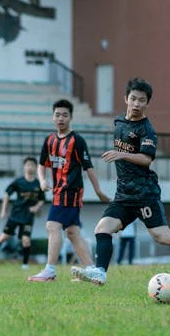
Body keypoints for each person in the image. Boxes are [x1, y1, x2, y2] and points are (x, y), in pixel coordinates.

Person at [75, 78, 170, 286]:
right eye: (133, 99)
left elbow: (147, 159)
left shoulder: (147, 130)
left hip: (144, 194)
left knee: (162, 236)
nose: (137, 104)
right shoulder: (119, 122)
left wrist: (121, 154)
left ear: (148, 103)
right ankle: (100, 272)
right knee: (102, 229)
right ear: (126, 99)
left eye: (142, 100)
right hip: (124, 195)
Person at [28, 99, 111, 282]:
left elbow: (89, 167)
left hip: (71, 192)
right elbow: (42, 165)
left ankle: (50, 270)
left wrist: (98, 191)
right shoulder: (49, 140)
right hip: (58, 191)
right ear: (53, 117)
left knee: (52, 226)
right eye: (57, 115)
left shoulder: (77, 141)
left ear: (71, 117)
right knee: (73, 232)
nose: (61, 118)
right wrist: (42, 181)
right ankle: (92, 271)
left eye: (65, 115)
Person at [0, 157, 45, 270]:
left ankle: (25, 265)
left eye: (32, 165)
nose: (30, 167)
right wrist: (3, 210)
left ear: (35, 167)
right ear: (24, 167)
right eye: (28, 165)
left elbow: (42, 199)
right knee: (3, 237)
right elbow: (7, 194)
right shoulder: (18, 182)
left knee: (26, 240)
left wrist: (36, 207)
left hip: (28, 216)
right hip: (16, 215)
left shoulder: (38, 184)